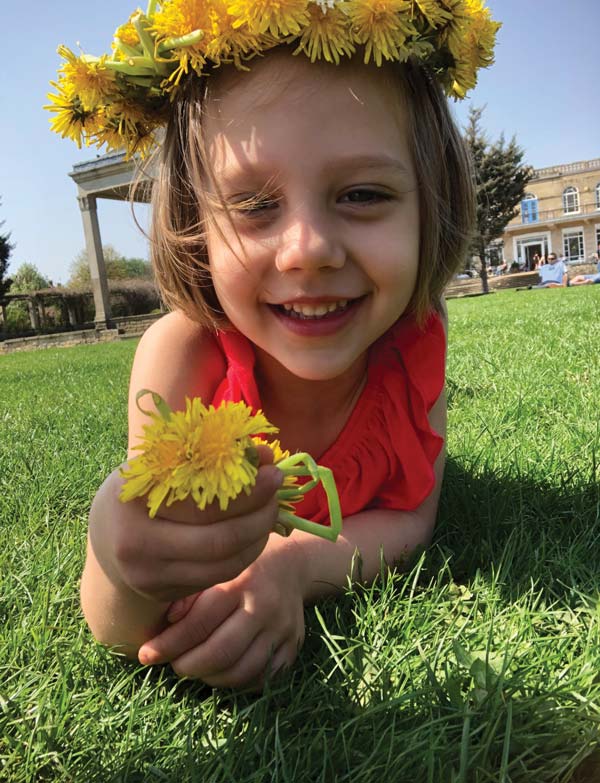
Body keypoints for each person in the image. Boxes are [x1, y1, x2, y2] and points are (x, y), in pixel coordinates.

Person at [47, 1, 499, 688]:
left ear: (431, 201)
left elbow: (412, 516)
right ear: (192, 220)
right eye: (256, 205)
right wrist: (119, 558)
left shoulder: (415, 343)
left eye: (364, 193)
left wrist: (293, 565)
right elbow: (123, 626)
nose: (309, 249)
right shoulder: (182, 359)